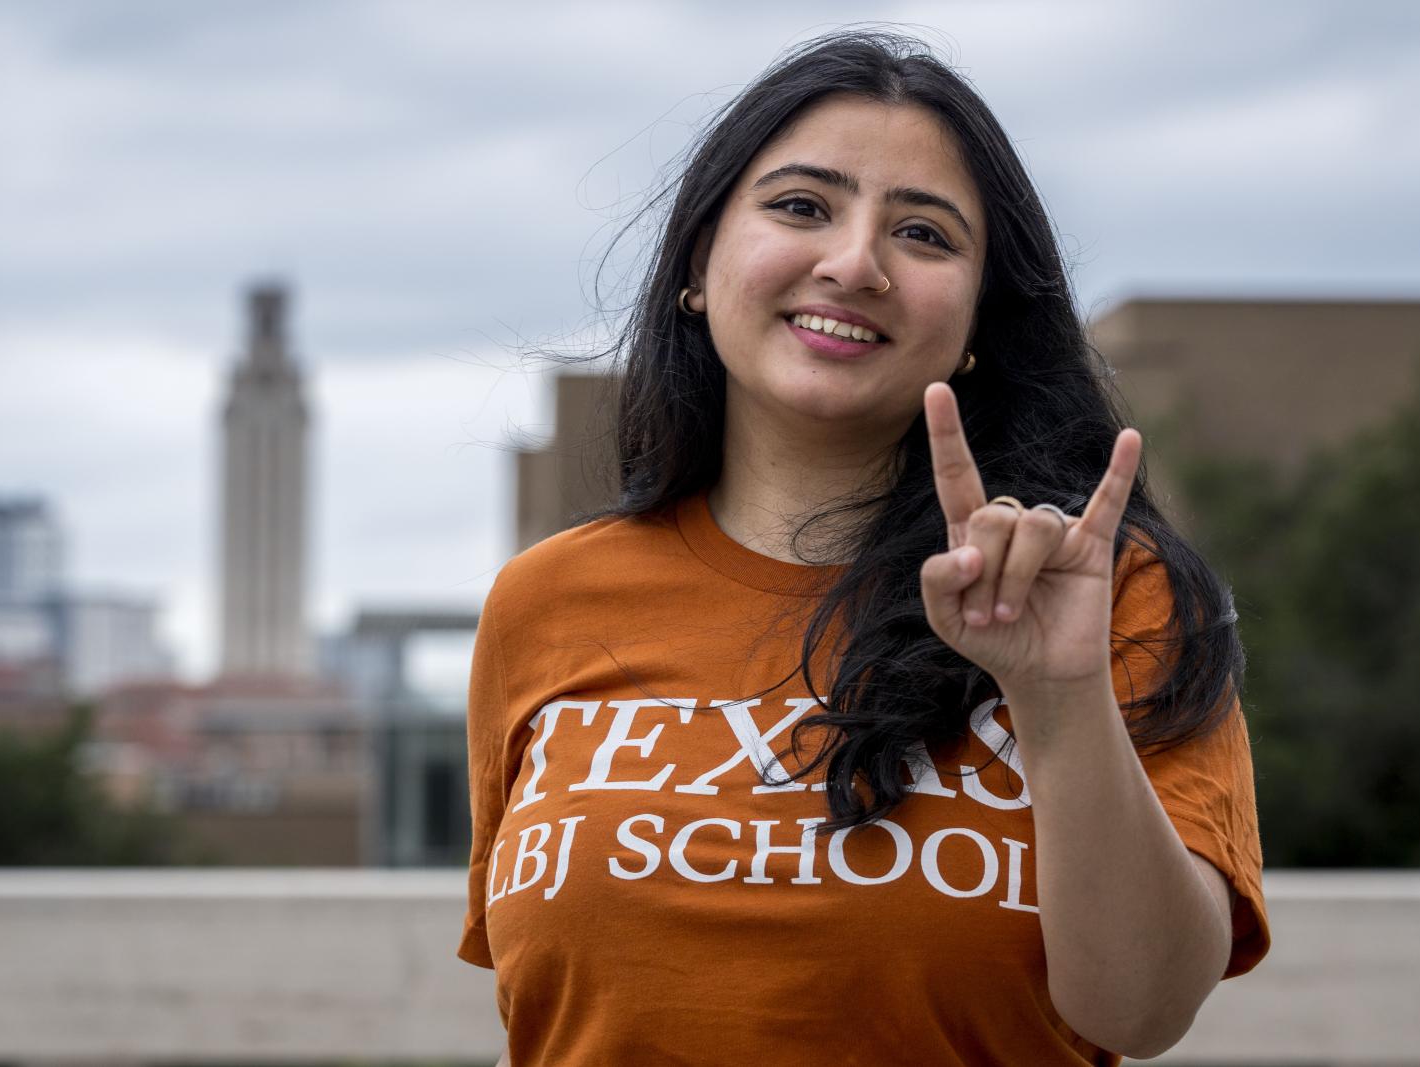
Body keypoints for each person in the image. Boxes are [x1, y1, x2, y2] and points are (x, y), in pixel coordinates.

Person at [457, 30, 1268, 1067]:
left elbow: (1142, 1009)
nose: (853, 264)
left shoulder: (1106, 594)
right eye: (800, 206)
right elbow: (549, 1012)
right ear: (698, 265)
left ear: (977, 318)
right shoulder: (545, 600)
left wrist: (1056, 693)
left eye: (924, 233)